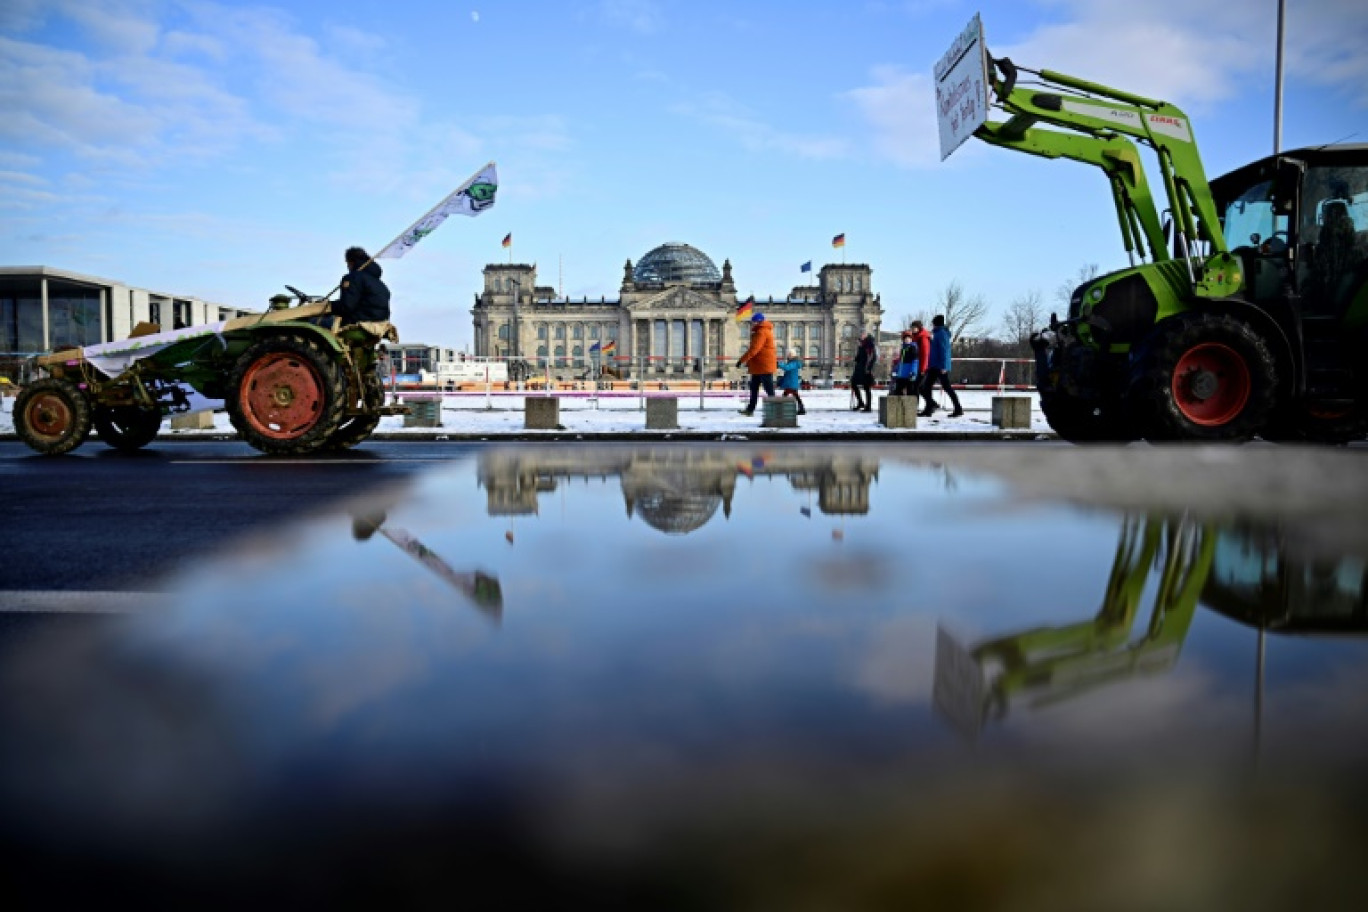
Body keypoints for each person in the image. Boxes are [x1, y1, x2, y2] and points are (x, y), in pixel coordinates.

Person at [334, 246, 391, 326]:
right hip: (378, 323)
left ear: (351, 262)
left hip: (358, 321)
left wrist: (329, 305)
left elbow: (346, 306)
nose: (347, 267)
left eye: (347, 263)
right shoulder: (380, 284)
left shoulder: (353, 277)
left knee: (314, 321)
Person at [920, 314, 963, 417]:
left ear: (935, 324)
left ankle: (957, 409)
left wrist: (944, 366)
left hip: (939, 366)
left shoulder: (941, 334)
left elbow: (944, 351)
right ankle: (929, 408)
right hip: (935, 365)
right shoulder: (938, 333)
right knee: (926, 387)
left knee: (945, 387)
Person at [736, 312, 777, 415]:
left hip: (764, 365)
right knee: (754, 388)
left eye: (753, 322)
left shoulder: (761, 332)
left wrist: (742, 360)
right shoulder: (762, 331)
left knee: (769, 390)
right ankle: (750, 410)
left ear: (758, 321)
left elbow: (754, 349)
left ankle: (775, 411)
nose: (752, 324)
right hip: (759, 366)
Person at [849, 331, 877, 412]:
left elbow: (872, 357)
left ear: (866, 335)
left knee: (867, 387)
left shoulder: (869, 344)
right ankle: (860, 402)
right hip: (859, 368)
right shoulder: (861, 344)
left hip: (866, 368)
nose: (861, 335)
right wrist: (856, 358)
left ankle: (868, 406)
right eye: (861, 334)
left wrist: (869, 368)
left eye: (863, 334)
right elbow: (860, 356)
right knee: (853, 383)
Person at [776, 347, 806, 415]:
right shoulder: (793, 362)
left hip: (791, 383)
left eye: (788, 354)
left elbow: (787, 368)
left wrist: (779, 364)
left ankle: (781, 410)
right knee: (794, 395)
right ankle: (801, 409)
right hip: (790, 382)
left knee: (787, 396)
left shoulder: (794, 362)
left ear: (791, 355)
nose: (787, 356)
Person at [891, 329, 921, 397]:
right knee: (898, 391)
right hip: (901, 374)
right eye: (906, 338)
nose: (907, 339)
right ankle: (900, 406)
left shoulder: (913, 348)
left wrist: (913, 372)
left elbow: (915, 361)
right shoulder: (903, 348)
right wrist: (896, 370)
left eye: (909, 338)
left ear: (911, 339)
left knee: (910, 392)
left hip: (909, 374)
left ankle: (910, 406)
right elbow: (900, 362)